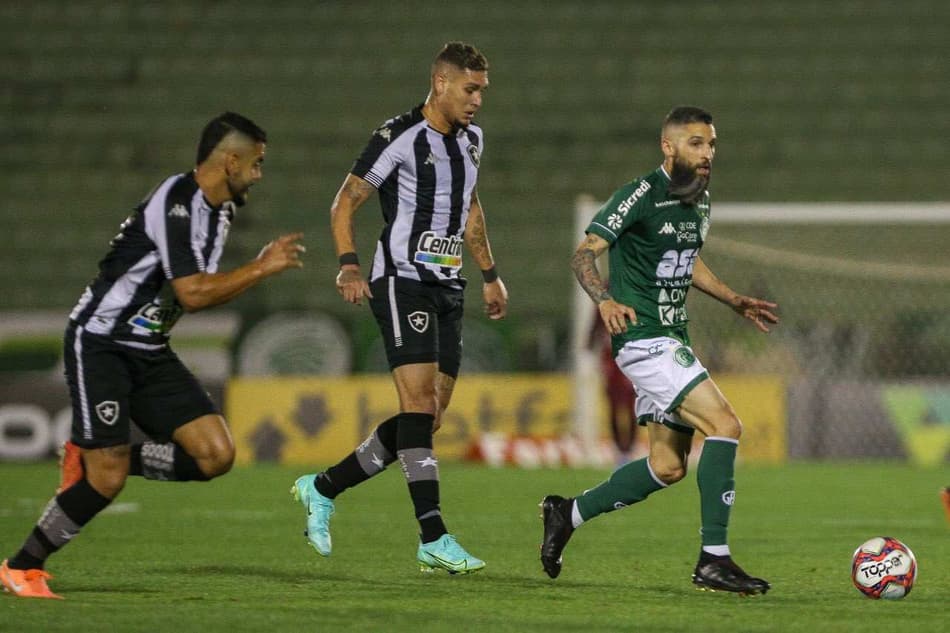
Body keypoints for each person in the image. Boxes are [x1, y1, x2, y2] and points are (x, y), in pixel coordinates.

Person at [0, 112, 305, 599]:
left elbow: (203, 290)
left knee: (215, 455)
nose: (259, 175)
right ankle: (21, 567)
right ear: (230, 160)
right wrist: (260, 268)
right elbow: (193, 293)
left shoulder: (221, 211)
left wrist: (248, 273)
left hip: (148, 348)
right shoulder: (176, 201)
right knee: (106, 483)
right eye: (256, 163)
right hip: (102, 343)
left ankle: (99, 454)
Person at [540, 106, 778, 595]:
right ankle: (714, 558)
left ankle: (568, 513)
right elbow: (583, 253)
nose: (708, 153)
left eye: (711, 143)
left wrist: (733, 299)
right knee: (726, 425)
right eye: (696, 143)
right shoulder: (638, 195)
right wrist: (604, 300)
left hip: (674, 336)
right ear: (667, 146)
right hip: (644, 339)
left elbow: (686, 262)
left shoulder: (700, 201)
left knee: (667, 467)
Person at [292, 41, 507, 575]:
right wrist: (348, 264)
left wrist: (489, 274)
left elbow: (470, 206)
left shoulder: (474, 139)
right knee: (415, 407)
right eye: (470, 88)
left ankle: (323, 487)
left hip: (449, 284)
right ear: (440, 83)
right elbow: (346, 201)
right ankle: (433, 536)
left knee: (427, 418)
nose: (478, 100)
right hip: (401, 281)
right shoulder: (398, 137)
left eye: (482, 90)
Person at [588, 303, 638, 463]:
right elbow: (596, 319)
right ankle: (619, 450)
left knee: (633, 406)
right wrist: (590, 340)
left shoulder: (636, 288)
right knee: (614, 405)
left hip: (634, 353)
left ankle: (629, 449)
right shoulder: (605, 291)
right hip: (611, 357)